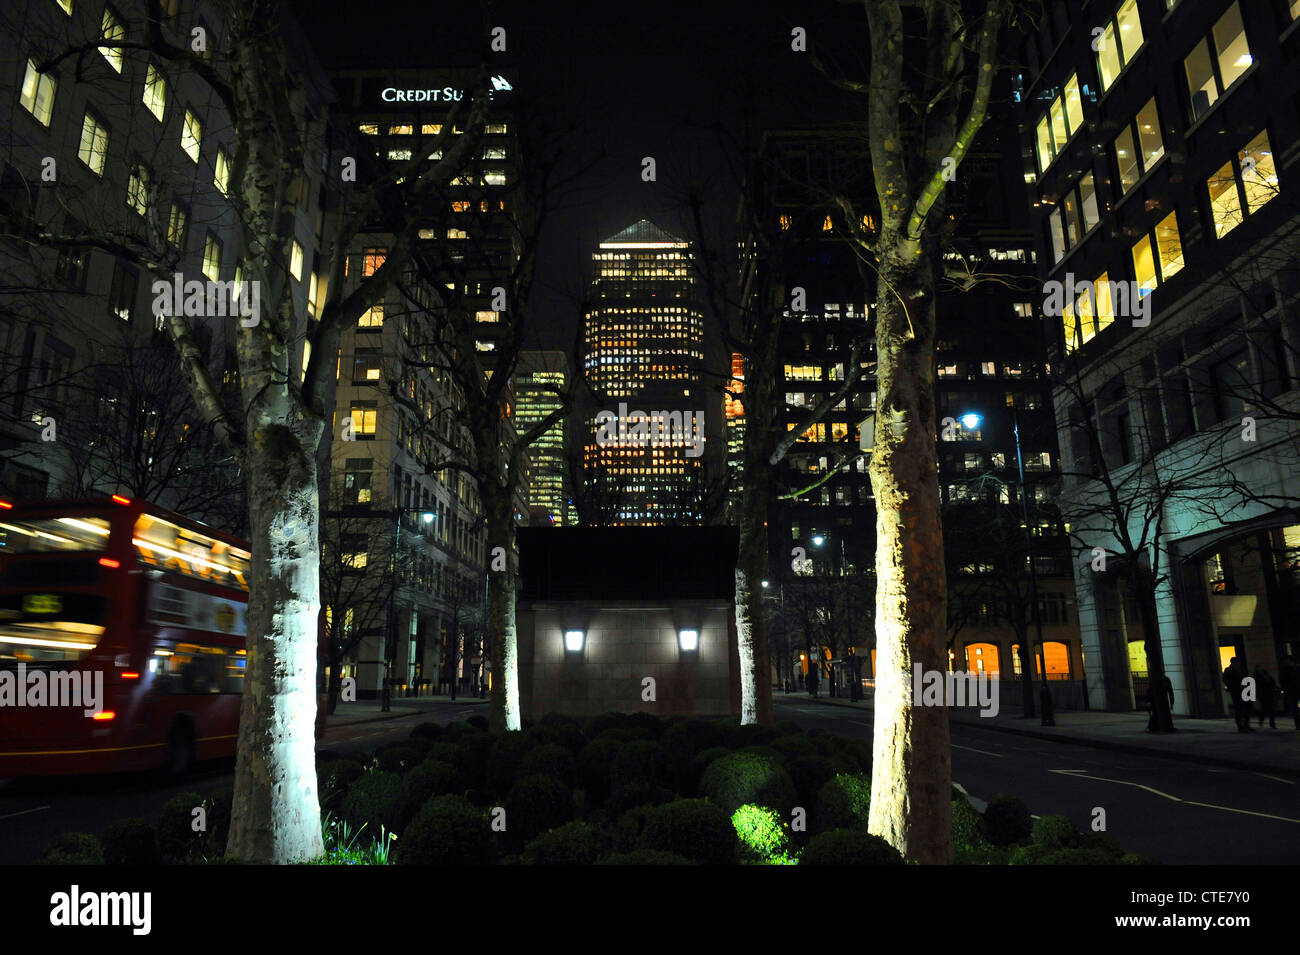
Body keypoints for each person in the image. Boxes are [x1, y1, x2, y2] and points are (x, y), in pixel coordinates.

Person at [1222, 657, 1252, 732]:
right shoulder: (1229, 670)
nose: (1239, 664)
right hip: (1237, 691)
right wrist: (1231, 688)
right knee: (1239, 708)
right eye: (1238, 663)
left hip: (1244, 691)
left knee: (1246, 708)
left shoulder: (1241, 670)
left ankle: (1246, 725)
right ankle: (1241, 726)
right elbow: (1226, 680)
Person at [1281, 654, 1300, 731]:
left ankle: (1298, 724)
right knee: (1295, 708)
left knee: (1295, 708)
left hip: (1295, 690)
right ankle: (1298, 724)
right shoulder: (1285, 670)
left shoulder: (1297, 668)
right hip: (1292, 691)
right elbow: (1283, 681)